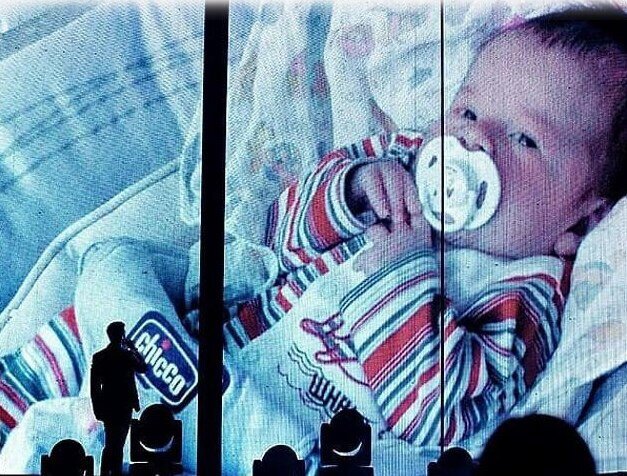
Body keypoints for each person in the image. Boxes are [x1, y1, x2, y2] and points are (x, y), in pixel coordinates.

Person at [222, 6, 627, 472]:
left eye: (524, 139)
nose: (475, 138)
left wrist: (401, 274)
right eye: (468, 111)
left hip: (310, 451)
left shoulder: (529, 292)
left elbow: (434, 415)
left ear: (580, 223)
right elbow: (272, 241)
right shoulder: (399, 160)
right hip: (224, 373)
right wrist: (351, 192)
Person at [91, 321, 148, 476]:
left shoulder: (101, 356)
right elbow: (143, 367)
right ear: (121, 335)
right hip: (122, 406)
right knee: (116, 443)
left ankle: (107, 472)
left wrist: (97, 409)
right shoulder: (126, 356)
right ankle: (112, 472)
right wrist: (133, 349)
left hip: (112, 407)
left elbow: (94, 388)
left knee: (113, 443)